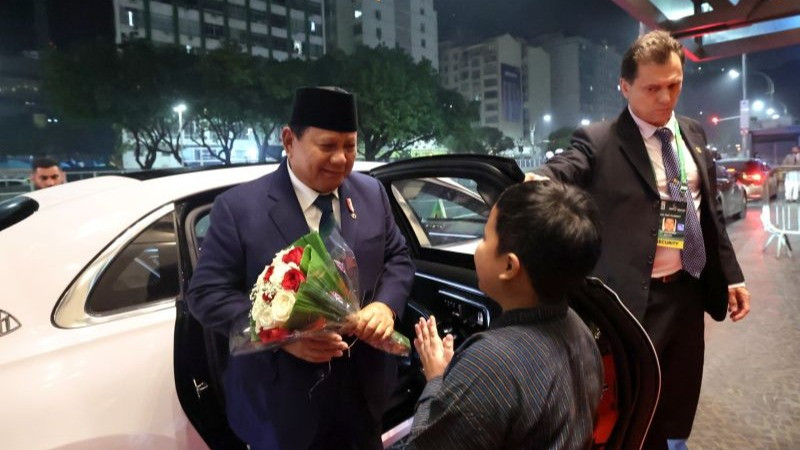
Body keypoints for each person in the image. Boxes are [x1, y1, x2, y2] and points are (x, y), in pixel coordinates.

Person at [527, 30, 750, 449]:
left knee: (678, 399)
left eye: (674, 84)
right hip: (632, 301)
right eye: (652, 88)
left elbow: (710, 214)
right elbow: (564, 168)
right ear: (625, 86)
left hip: (687, 293)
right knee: (632, 406)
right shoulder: (599, 140)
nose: (665, 98)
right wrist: (533, 180)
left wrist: (733, 276)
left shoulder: (693, 134)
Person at [186, 86, 415, 450]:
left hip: (364, 394)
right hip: (282, 404)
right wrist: (282, 335)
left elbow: (398, 259)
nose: (341, 159)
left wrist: (385, 306)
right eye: (327, 146)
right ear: (289, 140)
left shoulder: (372, 193)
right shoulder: (239, 208)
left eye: (350, 146)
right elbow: (205, 294)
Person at [407, 181, 604, 450]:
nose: (479, 246)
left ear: (509, 266)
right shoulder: (579, 329)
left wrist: (438, 379)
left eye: (486, 238)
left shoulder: (488, 365)